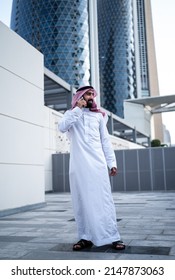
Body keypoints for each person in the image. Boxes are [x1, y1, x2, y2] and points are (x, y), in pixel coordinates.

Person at [59, 85, 125, 251]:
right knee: (81, 203)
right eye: (87, 94)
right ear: (80, 97)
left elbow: (105, 142)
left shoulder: (99, 117)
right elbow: (62, 127)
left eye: (92, 94)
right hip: (78, 167)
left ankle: (113, 236)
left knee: (104, 201)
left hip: (98, 165)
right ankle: (85, 237)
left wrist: (112, 163)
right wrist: (77, 110)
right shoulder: (71, 114)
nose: (90, 97)